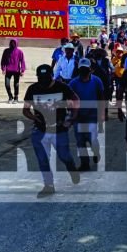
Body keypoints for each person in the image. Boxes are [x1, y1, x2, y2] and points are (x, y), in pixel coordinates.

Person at [23, 64, 80, 198]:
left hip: (59, 129)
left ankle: (71, 167)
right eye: (40, 78)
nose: (43, 81)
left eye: (45, 78)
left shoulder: (62, 87)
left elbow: (76, 100)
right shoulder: (32, 89)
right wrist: (33, 116)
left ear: (51, 76)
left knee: (64, 156)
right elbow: (25, 109)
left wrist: (72, 118)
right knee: (43, 159)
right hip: (40, 130)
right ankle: (49, 185)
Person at [69, 58, 105, 171]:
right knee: (80, 141)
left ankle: (96, 152)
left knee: (92, 138)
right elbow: (69, 99)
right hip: (78, 116)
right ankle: (85, 163)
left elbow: (101, 98)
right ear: (79, 70)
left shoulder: (97, 81)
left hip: (92, 116)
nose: (84, 71)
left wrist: (103, 113)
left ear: (90, 69)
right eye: (82, 69)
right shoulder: (73, 83)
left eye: (86, 69)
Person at [0, 39, 26, 104]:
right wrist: (3, 69)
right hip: (8, 71)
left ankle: (16, 98)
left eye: (14, 43)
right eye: (11, 42)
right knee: (7, 84)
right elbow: (3, 61)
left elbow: (22, 61)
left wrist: (22, 70)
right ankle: (10, 97)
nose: (12, 44)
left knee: (16, 85)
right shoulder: (6, 51)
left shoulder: (20, 52)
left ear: (16, 43)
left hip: (16, 71)